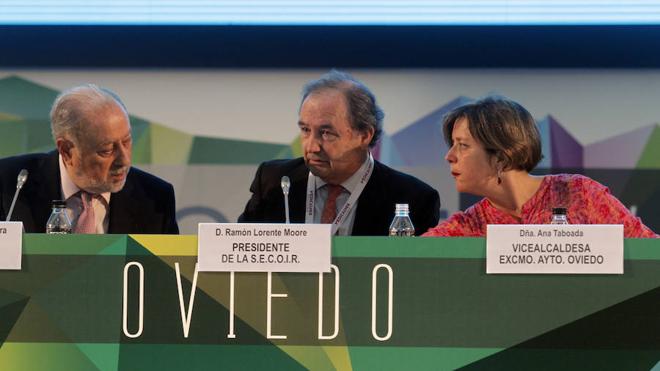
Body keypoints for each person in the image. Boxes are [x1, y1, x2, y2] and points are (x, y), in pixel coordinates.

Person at [239, 70, 440, 236]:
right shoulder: (273, 182)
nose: (312, 146)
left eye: (326, 133)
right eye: (305, 130)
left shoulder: (413, 198)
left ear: (364, 135)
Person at [423, 96, 657, 238]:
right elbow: (403, 262)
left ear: (501, 155)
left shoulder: (580, 194)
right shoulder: (466, 227)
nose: (449, 156)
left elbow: (649, 254)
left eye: (463, 145)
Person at [0, 84, 179, 234]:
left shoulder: (155, 199)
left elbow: (168, 275)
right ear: (67, 150)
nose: (124, 160)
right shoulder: (8, 186)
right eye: (106, 151)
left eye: (127, 141)